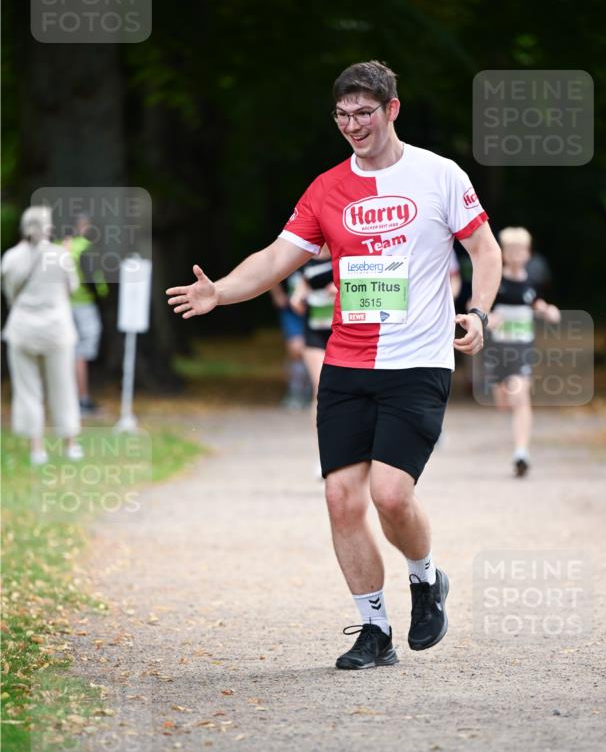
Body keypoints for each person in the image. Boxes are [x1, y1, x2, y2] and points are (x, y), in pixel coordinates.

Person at [167, 60, 501, 670]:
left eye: (364, 113)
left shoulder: (439, 175)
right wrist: (221, 291)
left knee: (390, 494)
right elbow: (276, 258)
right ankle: (374, 630)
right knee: (342, 500)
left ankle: (426, 580)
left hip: (418, 361)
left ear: (392, 109)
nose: (353, 125)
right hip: (348, 363)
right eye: (343, 115)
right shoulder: (326, 189)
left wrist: (477, 315)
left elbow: (484, 248)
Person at [1, 206, 83, 465]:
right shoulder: (60, 255)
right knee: (63, 387)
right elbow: (72, 288)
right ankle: (70, 444)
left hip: (22, 329)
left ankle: (36, 449)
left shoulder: (11, 257)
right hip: (57, 330)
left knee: (27, 390)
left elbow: (10, 295)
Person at [483, 226, 561, 477]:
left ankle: (521, 452)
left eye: (521, 250)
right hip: (498, 351)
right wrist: (488, 319)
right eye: (511, 250)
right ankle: (520, 447)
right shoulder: (496, 280)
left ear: (528, 253)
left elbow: (536, 303)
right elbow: (479, 307)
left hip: (521, 350)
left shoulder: (531, 281)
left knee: (520, 397)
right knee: (504, 402)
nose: (516, 254)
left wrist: (548, 311)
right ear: (504, 253)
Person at [289, 243, 336, 473]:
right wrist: (303, 298)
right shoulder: (305, 262)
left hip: (344, 332)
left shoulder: (347, 257)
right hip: (315, 333)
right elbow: (296, 300)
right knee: (322, 389)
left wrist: (340, 291)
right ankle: (324, 455)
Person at [62, 212, 108, 416]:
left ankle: (68, 399)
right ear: (83, 226)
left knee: (65, 351)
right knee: (81, 352)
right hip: (84, 305)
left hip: (60, 307)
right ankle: (82, 399)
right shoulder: (85, 247)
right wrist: (101, 293)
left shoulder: (57, 247)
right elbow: (95, 279)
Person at [269, 273, 311, 410]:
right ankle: (296, 393)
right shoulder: (290, 252)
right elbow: (272, 269)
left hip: (314, 307)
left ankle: (311, 393)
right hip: (290, 308)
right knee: (296, 350)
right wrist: (277, 293)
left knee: (313, 351)